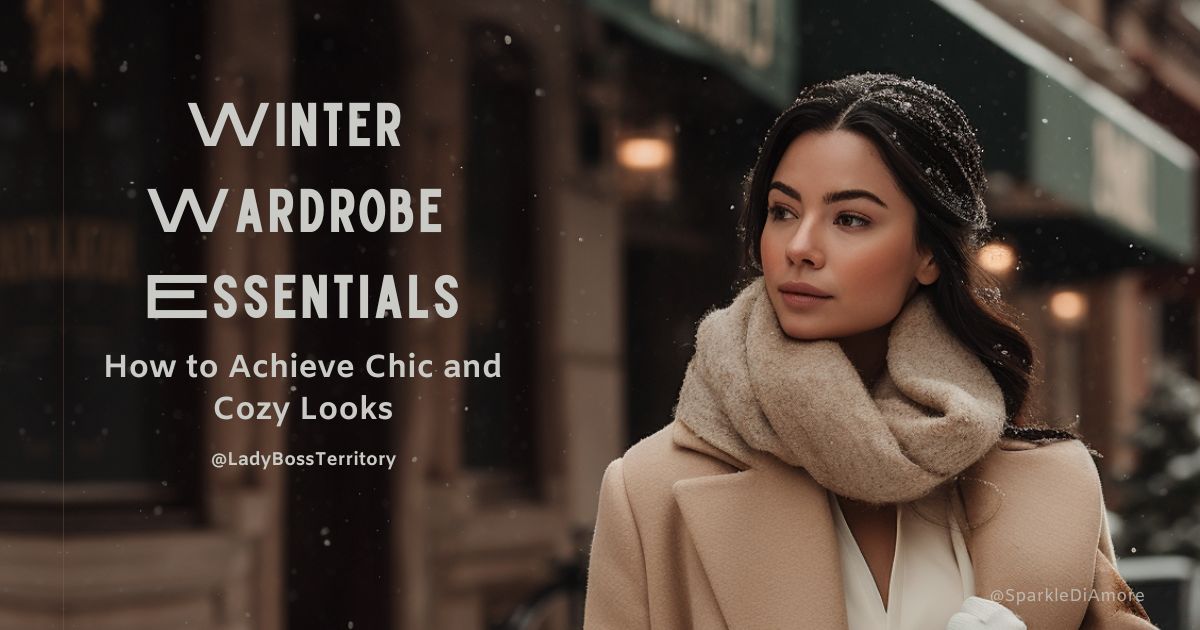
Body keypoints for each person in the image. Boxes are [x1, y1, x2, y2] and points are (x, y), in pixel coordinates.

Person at [581, 73, 1156, 630]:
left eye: (850, 219)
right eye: (782, 212)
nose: (800, 247)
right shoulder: (647, 492)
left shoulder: (1050, 485)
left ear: (929, 253)